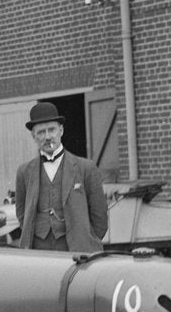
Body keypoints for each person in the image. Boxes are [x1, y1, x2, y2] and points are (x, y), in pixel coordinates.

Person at [14, 102, 107, 252]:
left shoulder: (86, 168)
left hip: (76, 250)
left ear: (61, 131)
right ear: (33, 136)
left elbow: (100, 217)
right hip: (39, 250)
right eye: (41, 132)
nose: (48, 137)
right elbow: (22, 214)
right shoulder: (24, 171)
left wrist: (86, 241)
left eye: (52, 130)